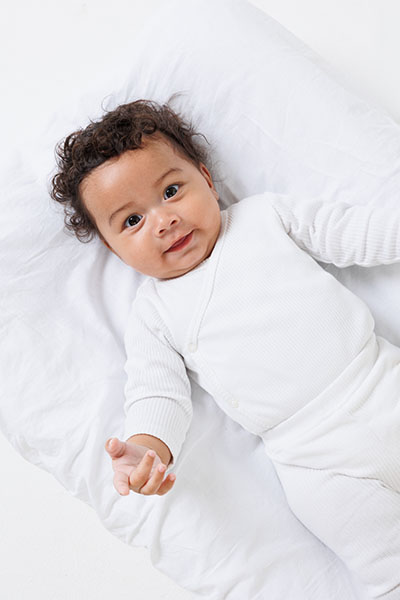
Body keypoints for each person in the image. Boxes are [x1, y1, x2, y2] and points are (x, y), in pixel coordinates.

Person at [51, 99, 400, 597]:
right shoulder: (154, 315)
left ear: (207, 179)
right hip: (316, 463)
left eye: (171, 191)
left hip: (380, 383)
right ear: (113, 248)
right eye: (131, 221)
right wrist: (146, 450)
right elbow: (156, 394)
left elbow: (354, 234)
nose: (163, 221)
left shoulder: (265, 218)